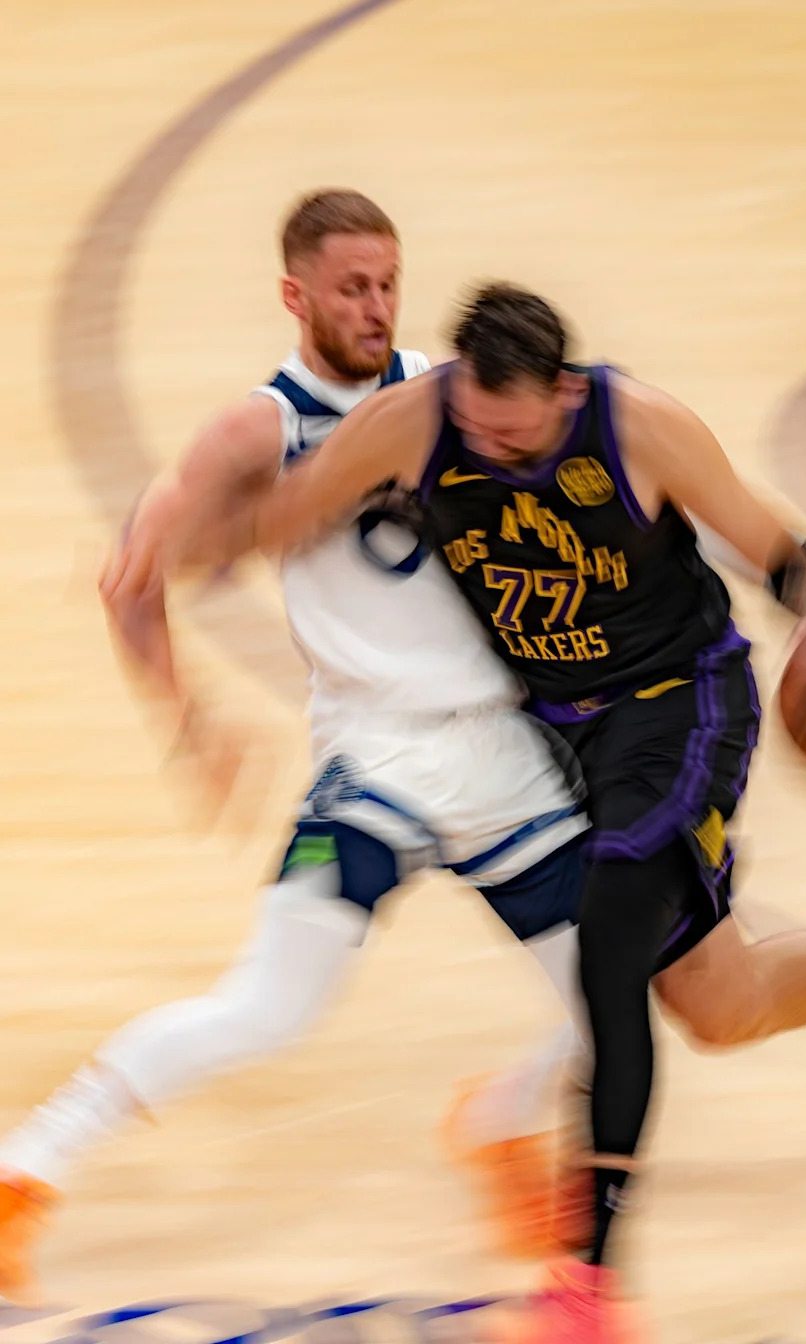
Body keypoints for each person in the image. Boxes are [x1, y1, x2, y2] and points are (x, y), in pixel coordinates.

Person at [144, 280, 806, 1342]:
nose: (497, 448)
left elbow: (781, 553)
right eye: (479, 429)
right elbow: (284, 515)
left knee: (609, 954)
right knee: (721, 1004)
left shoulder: (643, 428)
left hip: (679, 708)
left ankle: (587, 1285)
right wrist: (162, 541)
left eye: (517, 433)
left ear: (564, 392)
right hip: (558, 734)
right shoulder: (413, 424)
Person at [0, 204, 595, 1302]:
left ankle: (498, 1123)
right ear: (297, 297)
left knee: (621, 988)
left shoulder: (450, 390)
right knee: (268, 1007)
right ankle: (24, 1168)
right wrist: (188, 721)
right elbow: (130, 575)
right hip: (377, 763)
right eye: (352, 287)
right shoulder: (258, 431)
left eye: (388, 283)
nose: (375, 307)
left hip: (507, 759)